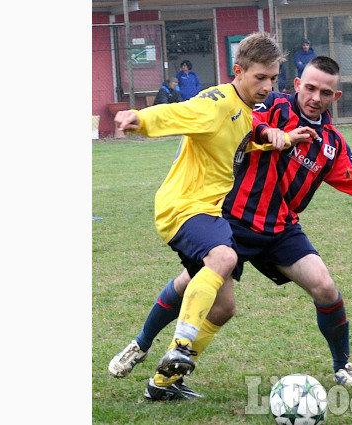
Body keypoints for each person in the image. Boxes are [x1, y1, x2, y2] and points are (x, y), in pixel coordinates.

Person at [109, 56, 352, 401]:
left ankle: (342, 365)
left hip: (280, 228)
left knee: (325, 287)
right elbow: (243, 119)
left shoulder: (330, 144)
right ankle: (143, 345)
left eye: (326, 92)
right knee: (202, 292)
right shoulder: (268, 103)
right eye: (311, 88)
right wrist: (270, 132)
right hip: (229, 220)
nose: (316, 97)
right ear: (298, 84)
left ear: (336, 96)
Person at [112, 32, 291, 400]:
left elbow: (244, 134)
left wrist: (279, 137)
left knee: (223, 307)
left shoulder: (243, 109)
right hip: (184, 205)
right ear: (238, 71)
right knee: (223, 257)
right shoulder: (215, 102)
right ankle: (180, 345)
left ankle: (161, 382)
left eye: (273, 78)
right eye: (260, 77)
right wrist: (139, 119)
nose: (268, 86)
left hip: (209, 211)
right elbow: (178, 111)